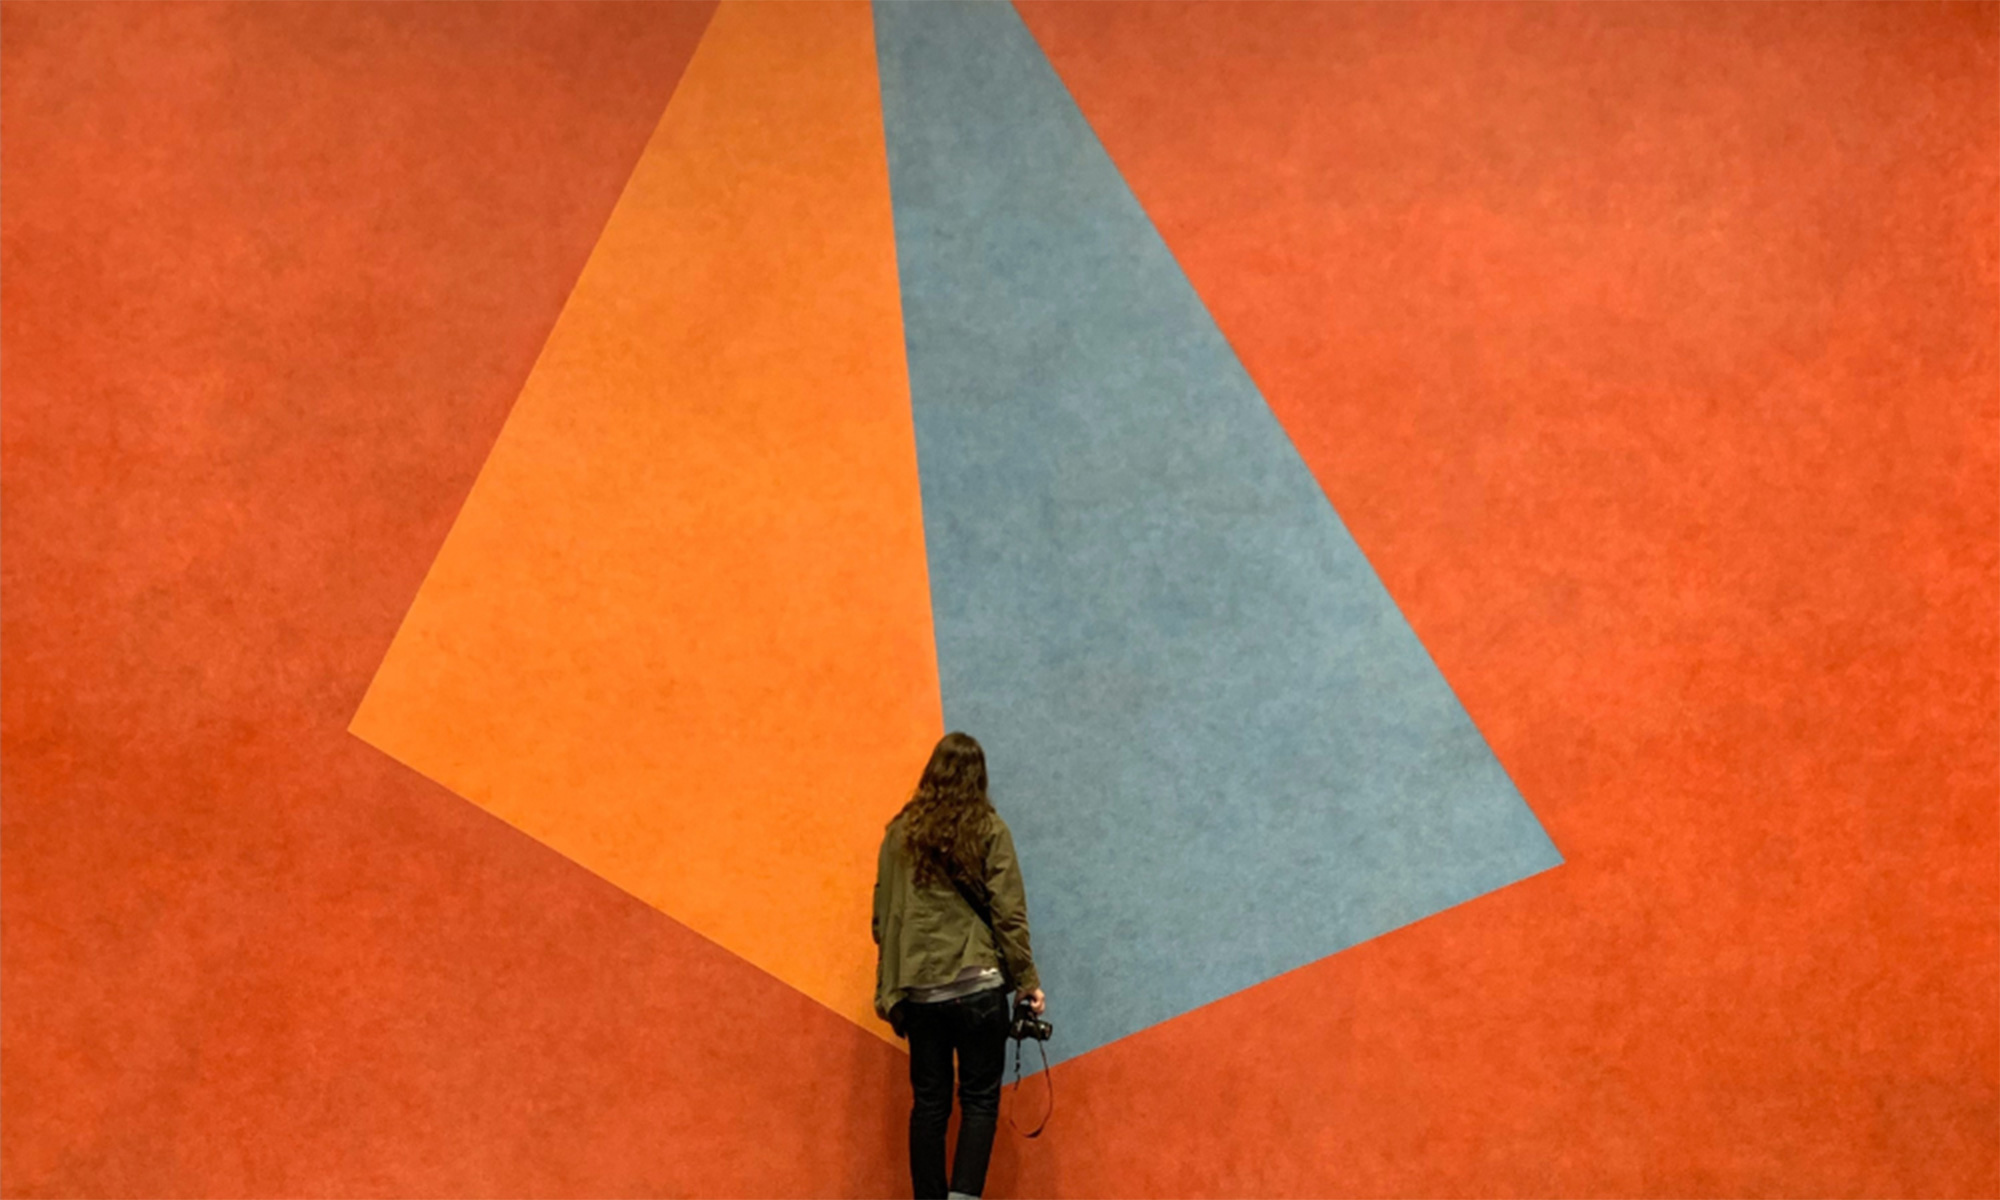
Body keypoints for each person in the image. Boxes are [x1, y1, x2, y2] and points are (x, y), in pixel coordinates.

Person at [873, 731, 1045, 1200]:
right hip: (979, 987)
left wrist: (891, 988)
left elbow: (881, 917)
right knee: (979, 1101)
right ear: (979, 779)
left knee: (929, 1104)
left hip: (921, 993)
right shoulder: (989, 829)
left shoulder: (898, 835)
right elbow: (1009, 913)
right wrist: (1027, 982)